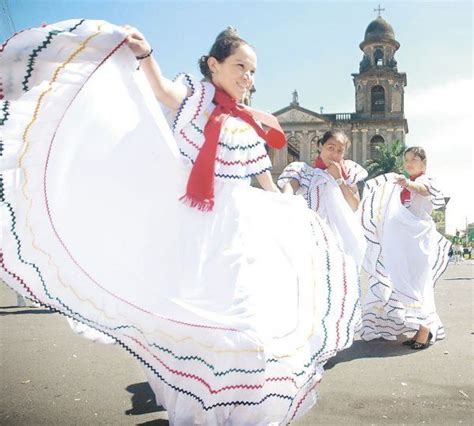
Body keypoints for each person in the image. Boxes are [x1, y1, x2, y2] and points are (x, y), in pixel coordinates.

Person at [1, 20, 361, 424]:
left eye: (254, 70)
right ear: (214, 64)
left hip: (237, 230)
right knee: (197, 314)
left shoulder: (250, 123)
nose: (248, 76)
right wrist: (146, 54)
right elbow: (163, 92)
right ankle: (195, 405)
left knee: (243, 316)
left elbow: (267, 183)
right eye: (241, 66)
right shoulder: (198, 95)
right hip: (192, 222)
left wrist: (293, 213)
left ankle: (239, 406)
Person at [360, 146, 451, 349]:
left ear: (424, 163)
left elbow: (423, 190)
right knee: (404, 280)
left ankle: (425, 330)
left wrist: (408, 183)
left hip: (418, 240)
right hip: (405, 241)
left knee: (418, 283)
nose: (409, 163)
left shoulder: (425, 181)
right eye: (406, 159)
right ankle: (420, 328)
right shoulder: (402, 185)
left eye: (414, 159)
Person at [277, 130, 368, 269]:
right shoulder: (303, 171)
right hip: (309, 235)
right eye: (330, 148)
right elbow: (289, 189)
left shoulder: (348, 173)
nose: (335, 154)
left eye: (340, 151)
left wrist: (339, 178)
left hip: (340, 240)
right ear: (320, 146)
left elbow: (354, 205)